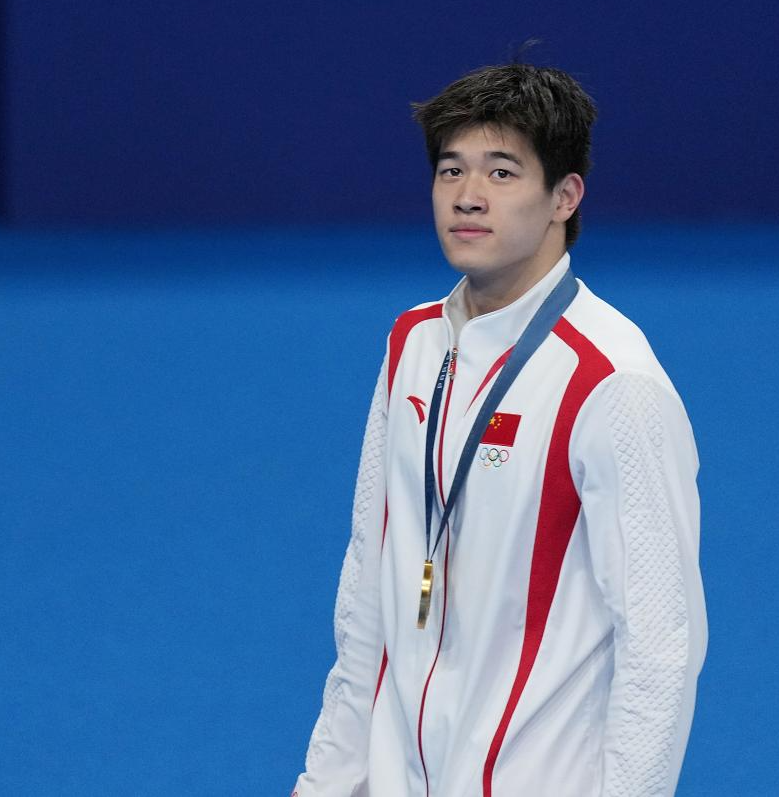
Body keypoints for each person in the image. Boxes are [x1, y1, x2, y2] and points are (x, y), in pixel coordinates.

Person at [292, 62, 707, 797]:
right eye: (450, 169)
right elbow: (368, 581)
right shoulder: (412, 343)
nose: (468, 195)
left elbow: (658, 644)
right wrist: (324, 781)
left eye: (502, 172)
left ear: (564, 197)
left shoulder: (611, 382)